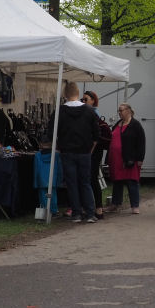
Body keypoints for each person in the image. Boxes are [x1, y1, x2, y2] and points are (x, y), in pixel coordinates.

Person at [47, 81, 101, 223]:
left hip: (67, 152)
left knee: (71, 184)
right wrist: (90, 150)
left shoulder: (59, 111)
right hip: (85, 152)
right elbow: (97, 135)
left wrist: (59, 146)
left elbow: (51, 133)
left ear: (65, 94)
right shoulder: (89, 111)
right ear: (78, 94)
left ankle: (76, 213)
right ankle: (90, 213)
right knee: (85, 183)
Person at [107, 102, 144, 214]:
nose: (119, 112)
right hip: (116, 159)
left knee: (132, 181)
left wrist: (140, 159)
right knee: (117, 181)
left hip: (129, 159)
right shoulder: (118, 123)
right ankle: (115, 203)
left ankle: (135, 205)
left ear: (128, 111)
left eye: (121, 110)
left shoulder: (135, 125)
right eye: (119, 110)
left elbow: (141, 142)